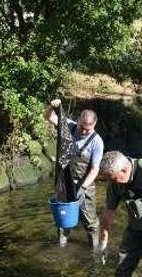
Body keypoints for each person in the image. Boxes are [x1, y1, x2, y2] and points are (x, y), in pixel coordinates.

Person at [44, 99, 104, 247]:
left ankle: (95, 251)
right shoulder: (69, 127)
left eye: (87, 129)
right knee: (62, 221)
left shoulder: (97, 142)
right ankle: (62, 247)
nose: (83, 131)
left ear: (94, 125)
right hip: (64, 184)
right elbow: (48, 116)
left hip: (85, 185)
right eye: (81, 127)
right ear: (77, 121)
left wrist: (83, 188)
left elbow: (95, 169)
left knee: (90, 223)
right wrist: (52, 106)